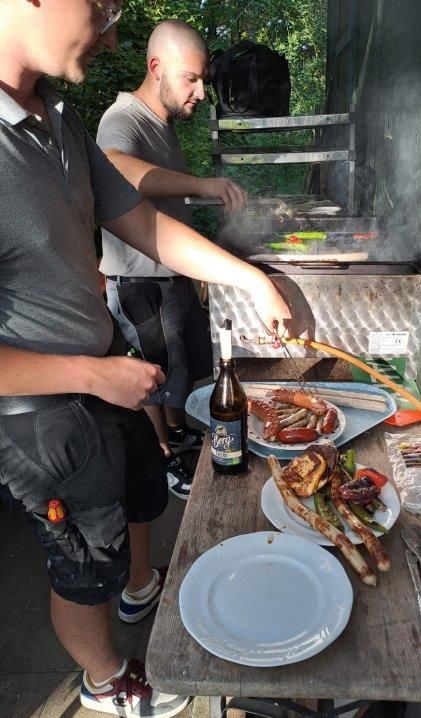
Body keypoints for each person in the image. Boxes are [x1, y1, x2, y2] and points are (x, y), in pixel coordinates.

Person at [0, 0, 291, 718]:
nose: (112, 37)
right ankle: (104, 680)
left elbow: (144, 224)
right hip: (40, 411)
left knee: (137, 496)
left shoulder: (58, 120)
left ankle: (139, 586)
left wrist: (251, 279)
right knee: (82, 561)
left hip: (100, 370)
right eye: (101, 9)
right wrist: (92, 374)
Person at [97, 20, 247, 500]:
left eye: (203, 80)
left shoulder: (162, 124)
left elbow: (164, 200)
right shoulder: (123, 118)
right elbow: (115, 168)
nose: (201, 92)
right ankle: (161, 458)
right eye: (191, 79)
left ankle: (178, 434)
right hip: (137, 281)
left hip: (168, 275)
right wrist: (203, 185)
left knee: (178, 368)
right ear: (156, 66)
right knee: (150, 377)